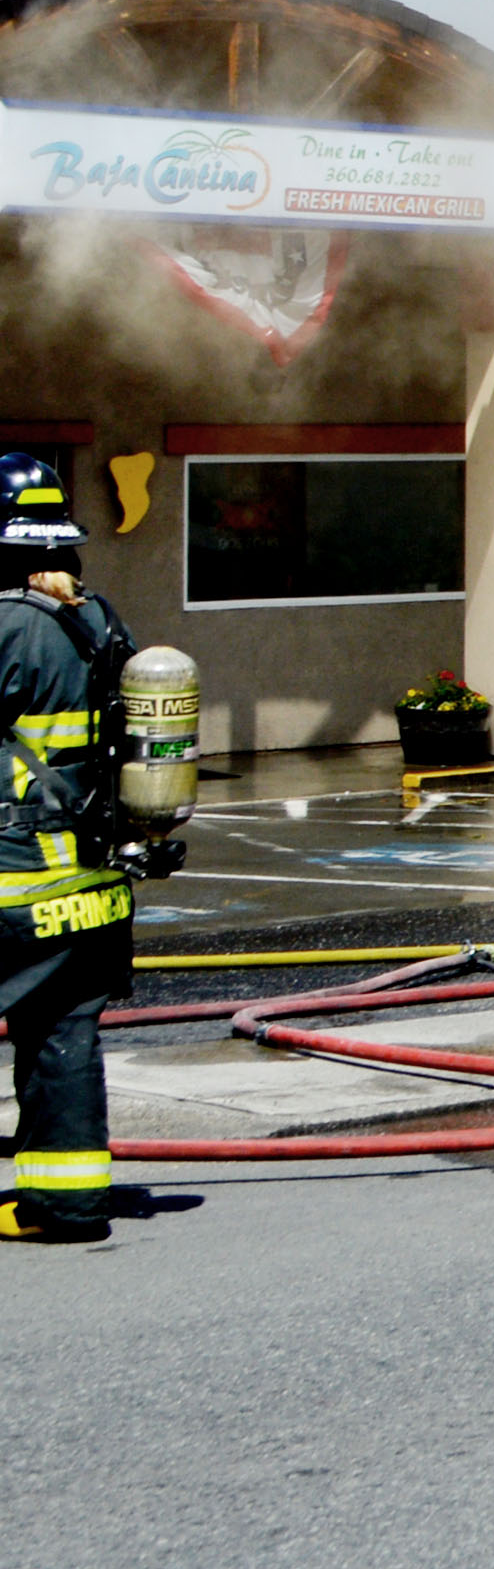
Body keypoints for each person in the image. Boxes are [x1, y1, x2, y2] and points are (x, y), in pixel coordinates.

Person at [0, 452, 149, 1246]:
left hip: (11, 884)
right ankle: (65, 1205)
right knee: (62, 1037)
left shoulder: (3, 627)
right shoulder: (102, 623)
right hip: (90, 883)